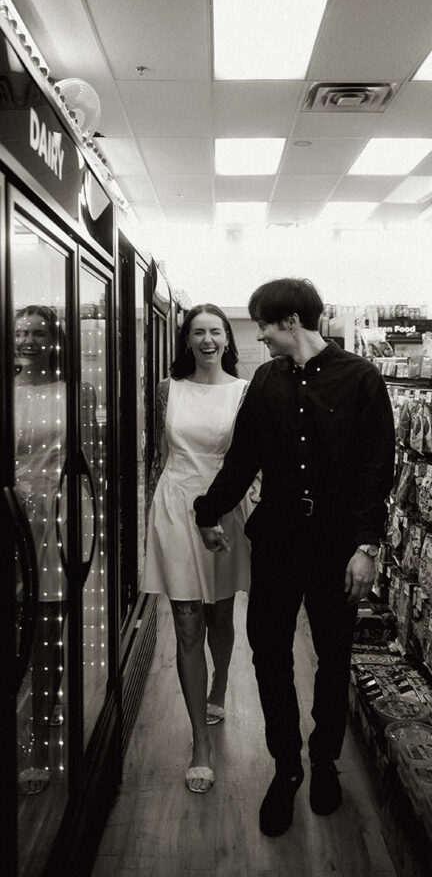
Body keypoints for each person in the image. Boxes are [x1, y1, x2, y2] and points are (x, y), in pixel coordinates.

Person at [194, 278, 395, 836]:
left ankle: (325, 760)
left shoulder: (360, 379)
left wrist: (366, 546)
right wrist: (208, 510)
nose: (256, 334)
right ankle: (286, 768)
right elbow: (243, 458)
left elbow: (377, 470)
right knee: (268, 653)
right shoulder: (265, 380)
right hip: (278, 538)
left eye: (262, 323)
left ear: (289, 321)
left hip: (337, 544)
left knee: (333, 654)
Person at [141, 304, 253, 795]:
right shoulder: (168, 390)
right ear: (185, 340)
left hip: (224, 506)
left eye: (215, 331)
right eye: (197, 332)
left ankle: (220, 683)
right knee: (187, 620)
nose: (207, 340)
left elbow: (249, 457)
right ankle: (199, 744)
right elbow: (154, 451)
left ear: (227, 339)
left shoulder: (244, 393)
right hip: (173, 506)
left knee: (221, 618)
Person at [15, 305, 97, 795]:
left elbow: (88, 457)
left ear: (54, 339)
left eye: (38, 333)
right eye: (21, 332)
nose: (28, 340)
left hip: (62, 512)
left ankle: (41, 734)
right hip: (13, 513)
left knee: (49, 626)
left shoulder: (77, 393)